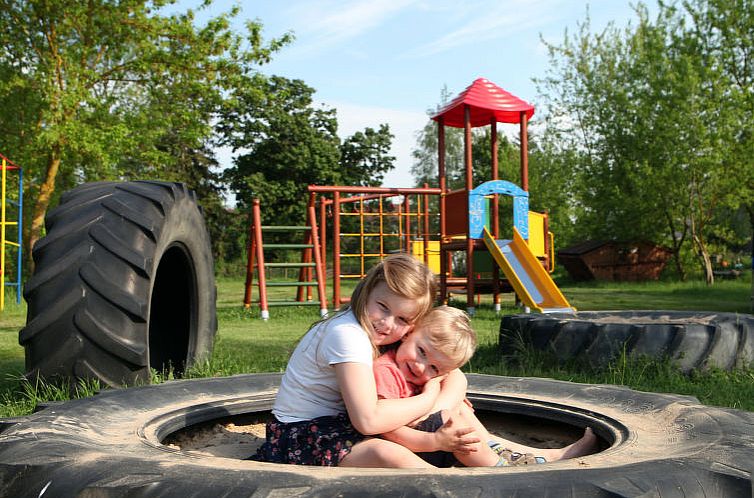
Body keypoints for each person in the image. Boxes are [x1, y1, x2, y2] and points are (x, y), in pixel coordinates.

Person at [251, 254, 478, 468]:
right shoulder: (347, 334)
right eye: (383, 307)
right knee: (386, 453)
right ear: (367, 290)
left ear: (412, 326)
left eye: (402, 319)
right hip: (304, 433)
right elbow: (367, 421)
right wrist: (428, 399)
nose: (387, 323)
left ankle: (493, 455)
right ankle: (447, 487)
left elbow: (456, 376)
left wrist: (431, 411)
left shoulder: (389, 334)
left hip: (343, 424)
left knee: (457, 411)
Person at [373, 305, 599, 467]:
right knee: (448, 420)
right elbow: (388, 430)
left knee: (458, 408)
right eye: (421, 352)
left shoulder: (416, 369)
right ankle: (498, 467)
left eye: (434, 368)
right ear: (408, 335)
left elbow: (455, 378)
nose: (421, 368)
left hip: (427, 442)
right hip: (413, 446)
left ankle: (522, 454)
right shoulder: (386, 372)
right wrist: (435, 439)